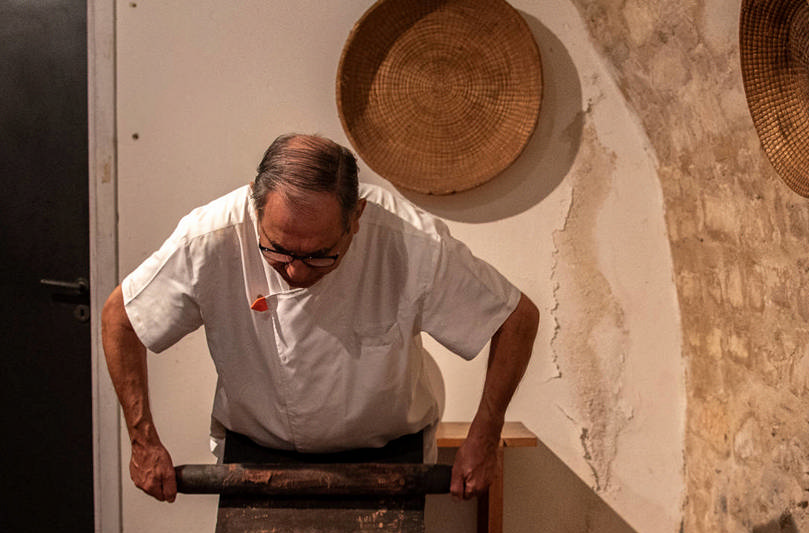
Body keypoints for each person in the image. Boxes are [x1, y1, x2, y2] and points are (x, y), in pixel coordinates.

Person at [101, 133, 539, 503]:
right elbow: (121, 318)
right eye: (277, 250)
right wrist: (143, 440)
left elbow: (515, 318)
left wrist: (484, 435)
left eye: (318, 255)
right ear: (256, 207)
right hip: (256, 456)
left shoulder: (410, 242)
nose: (294, 270)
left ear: (356, 218)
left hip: (385, 458)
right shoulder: (211, 237)